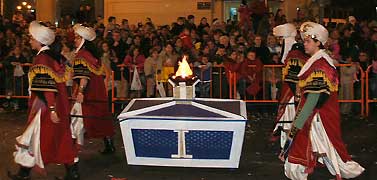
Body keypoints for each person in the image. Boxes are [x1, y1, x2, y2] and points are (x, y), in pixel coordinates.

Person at [281, 22, 365, 180]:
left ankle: (299, 172)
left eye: (307, 41)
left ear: (318, 42)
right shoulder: (317, 61)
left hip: (318, 116)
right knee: (325, 146)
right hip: (317, 115)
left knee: (312, 143)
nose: (304, 44)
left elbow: (315, 98)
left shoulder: (320, 64)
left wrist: (299, 122)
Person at [8, 21, 79, 180]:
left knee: (43, 137)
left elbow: (47, 86)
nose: (30, 41)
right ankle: (25, 172)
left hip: (45, 106)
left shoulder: (42, 59)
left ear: (39, 40)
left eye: (32, 38)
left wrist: (52, 109)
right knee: (55, 136)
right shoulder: (53, 57)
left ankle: (71, 171)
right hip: (53, 104)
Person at [71, 24, 115, 154]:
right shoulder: (91, 55)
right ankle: (109, 144)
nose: (75, 40)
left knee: (78, 118)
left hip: (88, 92)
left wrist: (80, 92)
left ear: (83, 40)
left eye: (77, 38)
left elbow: (83, 76)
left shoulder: (82, 56)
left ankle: (72, 146)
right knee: (99, 117)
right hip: (97, 90)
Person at [271, 23, 308, 150]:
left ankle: (290, 143)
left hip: (292, 91)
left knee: (290, 116)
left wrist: (296, 93)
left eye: (281, 39)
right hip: (292, 89)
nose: (280, 42)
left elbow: (293, 75)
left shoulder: (294, 55)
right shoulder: (297, 53)